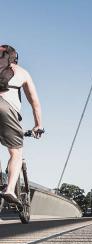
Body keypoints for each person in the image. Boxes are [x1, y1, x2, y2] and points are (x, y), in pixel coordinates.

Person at [0, 45, 43, 204]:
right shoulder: (22, 72)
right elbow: (35, 103)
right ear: (15, 58)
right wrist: (38, 125)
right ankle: (10, 189)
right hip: (6, 109)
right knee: (16, 153)